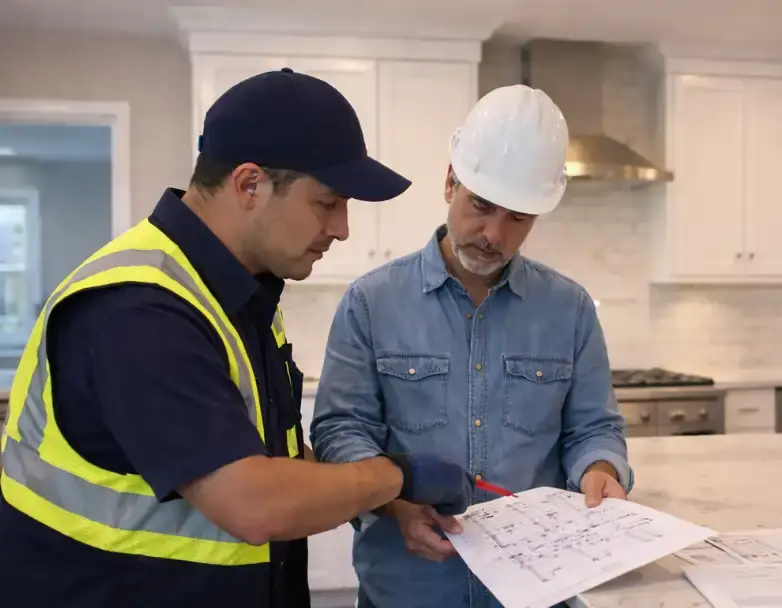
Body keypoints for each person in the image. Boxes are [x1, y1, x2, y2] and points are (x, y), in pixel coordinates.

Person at [0, 68, 475, 608]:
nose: (342, 228)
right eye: (328, 202)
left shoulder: (237, 296)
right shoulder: (138, 311)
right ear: (249, 184)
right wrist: (397, 474)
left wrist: (394, 503)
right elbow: (255, 502)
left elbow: (279, 459)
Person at [310, 84, 633, 608]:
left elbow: (594, 428)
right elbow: (339, 429)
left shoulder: (570, 309)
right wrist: (394, 504)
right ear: (449, 182)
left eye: (518, 218)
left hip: (535, 590)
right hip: (408, 589)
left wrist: (601, 470)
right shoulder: (371, 302)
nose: (494, 234)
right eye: (482, 206)